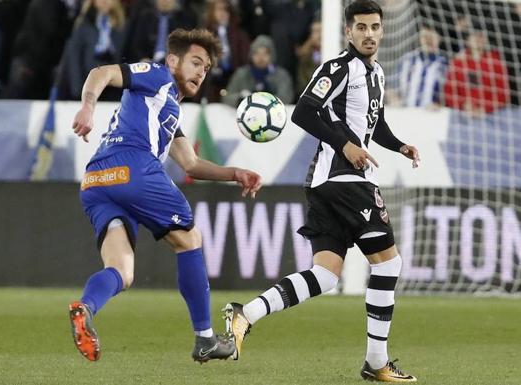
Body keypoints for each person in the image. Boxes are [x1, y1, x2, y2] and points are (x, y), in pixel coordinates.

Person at [223, 1, 419, 382]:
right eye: (360, 27)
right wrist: (344, 145)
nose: (369, 34)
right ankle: (376, 361)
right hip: (344, 180)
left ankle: (245, 314)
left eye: (375, 27)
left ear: (382, 30)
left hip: (329, 185)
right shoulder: (338, 68)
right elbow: (304, 111)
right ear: (348, 32)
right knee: (388, 263)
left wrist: (398, 146)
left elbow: (371, 125)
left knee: (327, 275)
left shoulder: (375, 73)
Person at [69, 28, 262, 363]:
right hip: (132, 166)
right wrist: (88, 108)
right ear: (173, 60)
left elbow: (190, 162)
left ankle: (85, 308)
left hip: (97, 179)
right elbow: (101, 72)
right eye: (195, 62)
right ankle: (205, 339)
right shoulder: (157, 75)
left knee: (122, 270)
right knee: (190, 238)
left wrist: (235, 174)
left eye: (207, 67)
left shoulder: (167, 107)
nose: (202, 72)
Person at [58, 0, 126, 101]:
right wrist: (77, 89)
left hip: (113, 85)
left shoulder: (122, 25)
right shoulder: (83, 24)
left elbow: (125, 55)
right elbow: (74, 57)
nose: (104, 1)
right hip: (87, 82)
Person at [443, 24, 510, 116]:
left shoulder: (496, 62)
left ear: (486, 40)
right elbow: (449, 91)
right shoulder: (457, 62)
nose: (477, 39)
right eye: (474, 35)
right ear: (468, 40)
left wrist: (483, 109)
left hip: (490, 116)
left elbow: (503, 94)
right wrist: (463, 105)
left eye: (481, 36)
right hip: (461, 115)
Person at [221, 34, 294, 107]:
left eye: (265, 54)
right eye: (256, 53)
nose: (261, 58)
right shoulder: (241, 74)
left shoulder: (281, 75)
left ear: (272, 55)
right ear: (251, 55)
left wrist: (261, 100)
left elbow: (286, 97)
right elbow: (227, 96)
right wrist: (241, 99)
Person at [201, 0, 249, 102]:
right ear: (212, 12)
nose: (223, 13)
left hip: (233, 77)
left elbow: (245, 61)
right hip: (211, 78)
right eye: (219, 9)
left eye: (226, 10)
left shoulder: (240, 35)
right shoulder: (203, 35)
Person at [395, 25, 447, 108]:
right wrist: (394, 99)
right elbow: (393, 87)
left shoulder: (445, 65)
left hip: (433, 116)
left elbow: (450, 95)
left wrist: (439, 104)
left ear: (439, 38)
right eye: (425, 37)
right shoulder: (406, 60)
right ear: (419, 38)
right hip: (405, 113)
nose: (428, 40)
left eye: (431, 37)